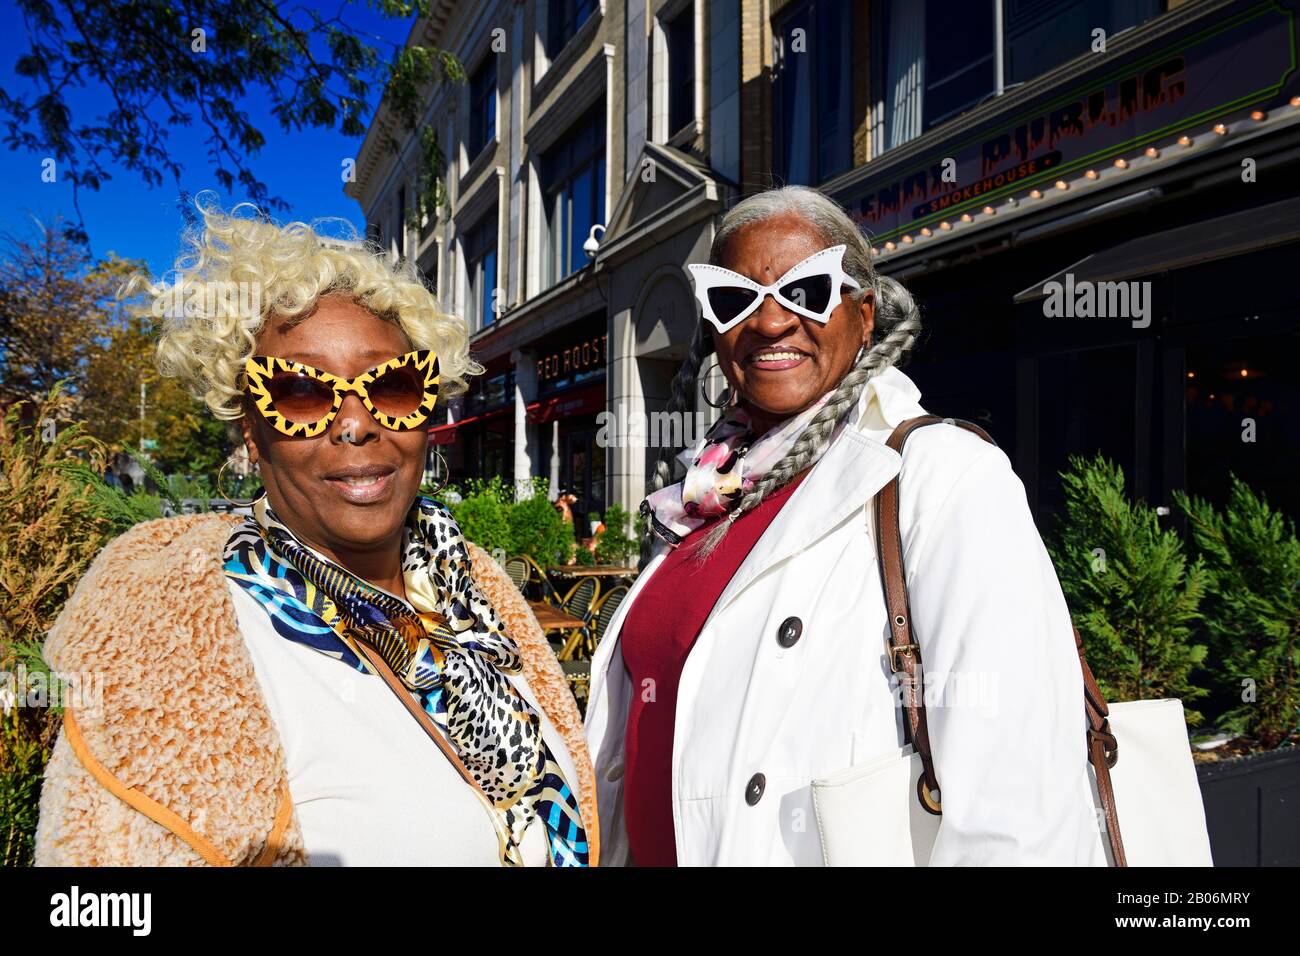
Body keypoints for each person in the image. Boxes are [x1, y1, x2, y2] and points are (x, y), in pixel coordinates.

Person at [35, 199, 597, 867]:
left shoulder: (480, 597)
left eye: (391, 388)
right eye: (302, 393)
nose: (356, 423)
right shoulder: (163, 642)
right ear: (251, 425)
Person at [584, 185, 1105, 866]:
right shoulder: (704, 494)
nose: (771, 323)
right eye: (736, 299)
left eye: (806, 291)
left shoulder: (939, 476)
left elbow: (1018, 808)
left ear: (863, 318)